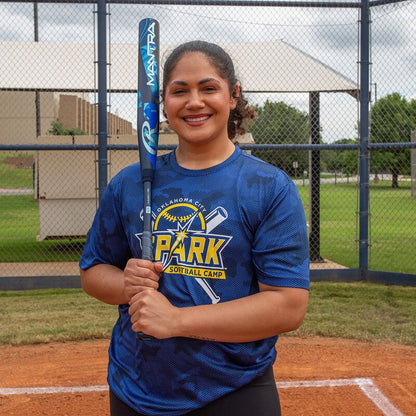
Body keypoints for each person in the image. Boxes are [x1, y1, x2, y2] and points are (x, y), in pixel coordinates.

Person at [79, 40, 310, 416]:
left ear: (233, 96)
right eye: (179, 91)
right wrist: (126, 284)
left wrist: (177, 321)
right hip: (136, 387)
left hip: (233, 389)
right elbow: (93, 272)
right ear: (162, 104)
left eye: (208, 88)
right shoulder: (130, 184)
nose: (194, 102)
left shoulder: (268, 188)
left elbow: (288, 306)